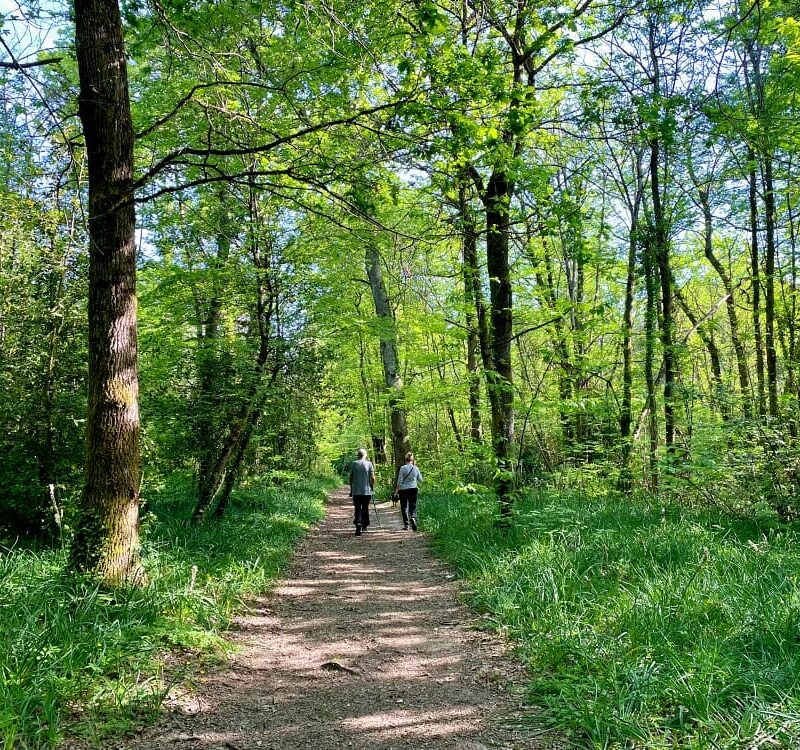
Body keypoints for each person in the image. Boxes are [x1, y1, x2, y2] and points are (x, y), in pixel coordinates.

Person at [348, 448, 375, 536]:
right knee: (365, 508)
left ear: (358, 455)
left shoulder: (354, 464)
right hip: (366, 491)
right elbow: (372, 477)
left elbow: (351, 477)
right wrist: (372, 486)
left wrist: (351, 488)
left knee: (357, 508)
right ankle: (364, 525)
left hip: (356, 491)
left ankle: (358, 524)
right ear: (365, 455)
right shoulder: (369, 464)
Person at [395, 452, 422, 531]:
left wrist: (397, 490)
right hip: (413, 489)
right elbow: (420, 479)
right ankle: (413, 517)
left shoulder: (403, 468)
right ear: (412, 459)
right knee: (413, 506)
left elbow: (399, 481)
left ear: (405, 459)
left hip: (403, 490)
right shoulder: (415, 468)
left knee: (404, 507)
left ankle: (406, 525)